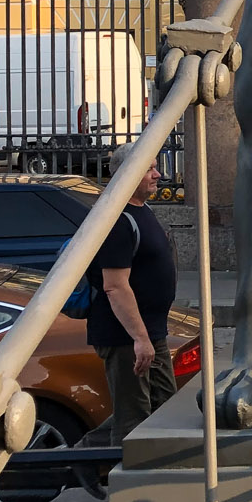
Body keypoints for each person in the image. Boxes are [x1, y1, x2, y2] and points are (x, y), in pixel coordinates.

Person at [87, 147, 178, 441]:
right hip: (125, 337)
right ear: (128, 174)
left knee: (166, 408)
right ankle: (117, 479)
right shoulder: (116, 219)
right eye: (149, 168)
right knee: (134, 419)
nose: (158, 174)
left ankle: (84, 455)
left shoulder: (142, 210)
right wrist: (140, 339)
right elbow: (115, 286)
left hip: (151, 333)